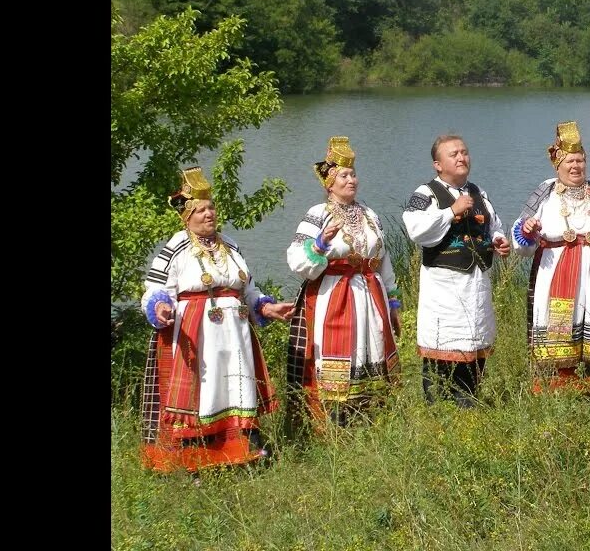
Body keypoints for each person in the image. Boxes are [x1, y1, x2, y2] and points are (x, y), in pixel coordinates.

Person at [139, 167, 295, 474]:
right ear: (186, 215)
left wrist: (265, 308)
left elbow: (248, 289)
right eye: (201, 210)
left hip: (236, 335)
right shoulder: (177, 247)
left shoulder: (231, 245)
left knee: (237, 389)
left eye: (211, 208)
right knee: (205, 393)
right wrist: (160, 308)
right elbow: (154, 289)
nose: (209, 214)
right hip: (198, 335)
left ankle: (244, 453)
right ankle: (195, 462)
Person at [285, 136, 403, 430]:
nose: (352, 180)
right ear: (329, 183)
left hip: (370, 294)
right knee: (340, 356)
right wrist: (321, 243)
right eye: (344, 176)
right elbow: (297, 259)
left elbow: (382, 259)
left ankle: (369, 421)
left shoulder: (369, 214)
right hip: (335, 295)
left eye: (353, 174)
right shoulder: (318, 214)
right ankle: (334, 424)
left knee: (371, 348)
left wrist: (393, 302)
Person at [510, 121, 590, 391]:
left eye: (579, 160)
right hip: (557, 272)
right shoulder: (544, 191)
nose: (575, 166)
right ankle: (557, 388)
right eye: (569, 161)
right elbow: (520, 235)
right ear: (557, 164)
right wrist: (528, 229)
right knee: (559, 328)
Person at [402, 134, 511, 408]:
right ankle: (438, 411)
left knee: (474, 353)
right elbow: (416, 230)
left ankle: (469, 406)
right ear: (438, 165)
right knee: (442, 354)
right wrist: (451, 211)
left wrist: (499, 241)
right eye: (454, 154)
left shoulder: (479, 192)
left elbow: (493, 226)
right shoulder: (425, 194)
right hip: (444, 291)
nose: (461, 157)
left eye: (464, 152)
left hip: (476, 288)